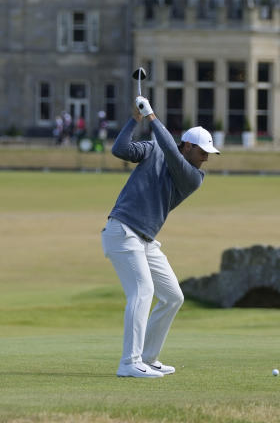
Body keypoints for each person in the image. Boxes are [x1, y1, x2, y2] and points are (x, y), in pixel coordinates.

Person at [101, 94, 219, 378]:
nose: (205, 158)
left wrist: (152, 116)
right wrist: (135, 118)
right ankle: (129, 363)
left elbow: (169, 149)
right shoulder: (154, 148)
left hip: (145, 239)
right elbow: (120, 149)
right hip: (122, 230)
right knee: (142, 291)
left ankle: (148, 357)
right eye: (202, 152)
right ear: (188, 146)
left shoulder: (193, 176)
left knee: (173, 297)